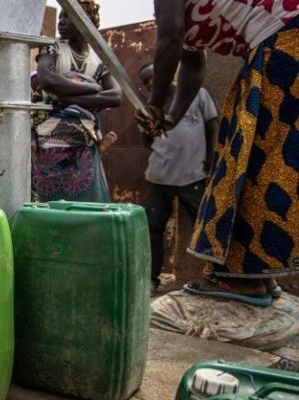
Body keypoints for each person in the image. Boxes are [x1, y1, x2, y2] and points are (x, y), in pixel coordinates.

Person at [140, 0, 298, 306]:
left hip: (284, 44)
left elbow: (170, 37)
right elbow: (193, 64)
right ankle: (256, 274)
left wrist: (155, 104)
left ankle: (238, 278)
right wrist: (169, 116)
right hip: (281, 44)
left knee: (247, 159)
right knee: (263, 162)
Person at [139, 62, 219, 291]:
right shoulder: (148, 108)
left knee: (205, 227)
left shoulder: (197, 95)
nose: (152, 83)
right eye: (146, 82)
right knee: (153, 229)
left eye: (154, 76)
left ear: (167, 74)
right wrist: (146, 128)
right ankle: (152, 279)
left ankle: (217, 276)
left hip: (193, 175)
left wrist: (210, 158)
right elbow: (145, 144)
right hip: (158, 178)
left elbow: (212, 125)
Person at [31, 0, 120, 203]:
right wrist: (92, 87)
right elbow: (47, 79)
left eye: (68, 16)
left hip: (84, 145)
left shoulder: (99, 58)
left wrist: (66, 97)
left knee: (87, 206)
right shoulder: (52, 48)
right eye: (60, 16)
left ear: (85, 21)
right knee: (49, 205)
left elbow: (115, 96)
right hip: (49, 144)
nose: (61, 22)